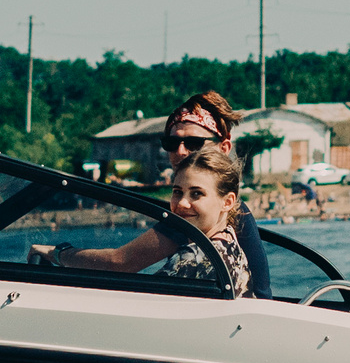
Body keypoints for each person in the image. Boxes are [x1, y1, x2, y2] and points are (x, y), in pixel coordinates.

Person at [56, 91, 272, 294]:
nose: (180, 151)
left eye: (193, 143)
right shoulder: (224, 217)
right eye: (171, 142)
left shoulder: (197, 217)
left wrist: (58, 253)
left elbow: (120, 262)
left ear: (223, 148)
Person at [159, 142, 253, 295]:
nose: (182, 203)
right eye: (177, 192)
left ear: (227, 202)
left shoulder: (192, 257)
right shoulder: (230, 242)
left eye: (196, 194)